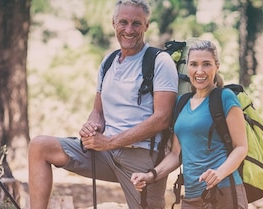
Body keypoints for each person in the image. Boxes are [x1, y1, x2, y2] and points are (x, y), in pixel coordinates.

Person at [27, 0, 178, 208]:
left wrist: (110, 142)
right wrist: (92, 126)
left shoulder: (160, 62)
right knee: (39, 146)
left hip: (142, 158)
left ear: (146, 25)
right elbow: (98, 111)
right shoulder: (108, 62)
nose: (129, 29)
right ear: (114, 23)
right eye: (123, 22)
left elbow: (162, 119)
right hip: (105, 154)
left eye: (136, 23)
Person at [131, 39, 249, 209]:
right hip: (192, 197)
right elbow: (175, 154)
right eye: (194, 64)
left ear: (217, 66)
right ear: (188, 67)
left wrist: (219, 173)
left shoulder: (225, 97)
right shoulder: (181, 102)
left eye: (206, 64)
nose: (199, 71)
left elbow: (241, 147)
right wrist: (150, 176)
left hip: (224, 192)